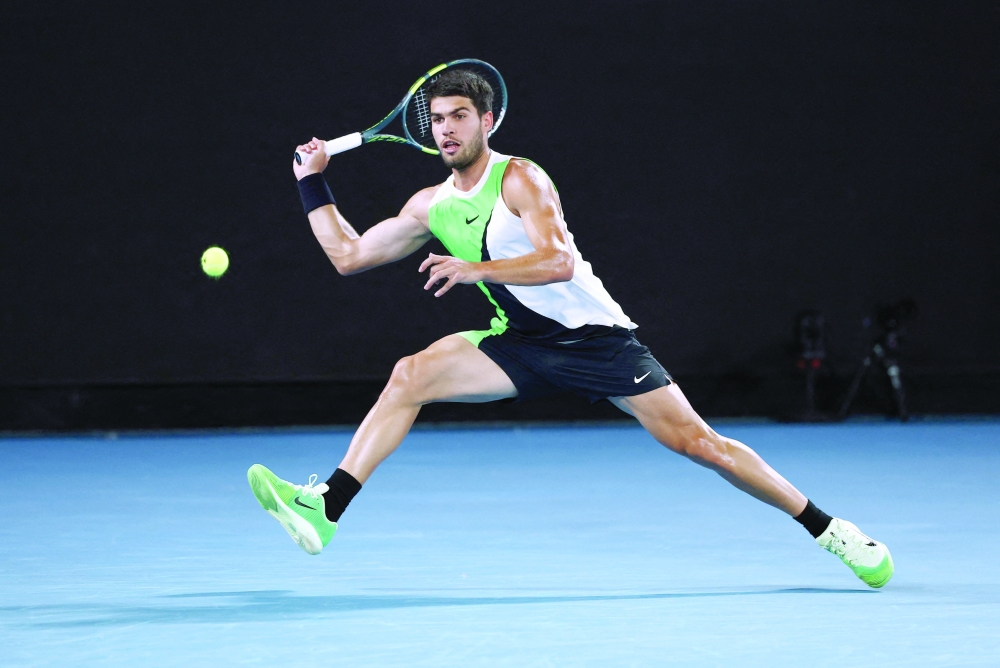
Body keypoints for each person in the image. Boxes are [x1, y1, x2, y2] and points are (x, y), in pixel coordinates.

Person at [248, 69, 893, 588]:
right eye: (437, 119)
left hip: (596, 340)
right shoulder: (430, 204)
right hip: (523, 346)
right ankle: (326, 507)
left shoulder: (519, 176)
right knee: (410, 375)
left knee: (703, 447)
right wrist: (313, 185)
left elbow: (559, 260)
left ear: (487, 121)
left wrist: (475, 268)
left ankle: (828, 528)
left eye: (458, 117)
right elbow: (349, 255)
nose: (445, 130)